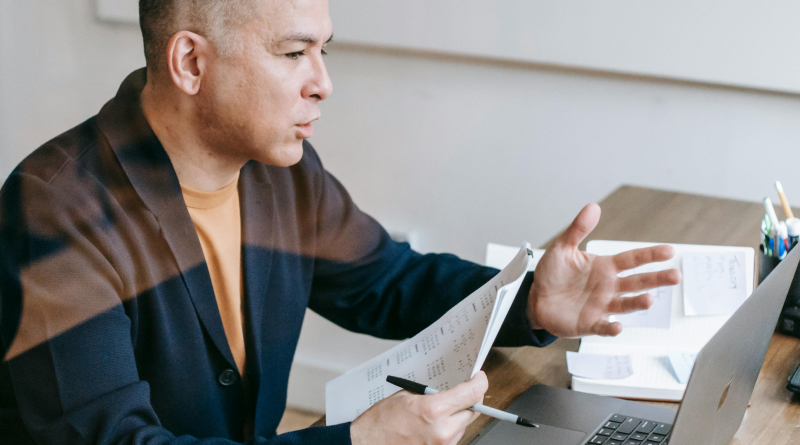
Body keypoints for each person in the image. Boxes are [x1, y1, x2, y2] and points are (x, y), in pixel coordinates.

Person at [0, 0, 681, 444]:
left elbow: (386, 281)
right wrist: (357, 439)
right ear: (190, 62)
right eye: (294, 54)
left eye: (324, 50)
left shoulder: (282, 170)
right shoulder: (53, 209)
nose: (323, 82)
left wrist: (529, 298)